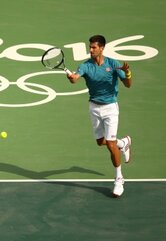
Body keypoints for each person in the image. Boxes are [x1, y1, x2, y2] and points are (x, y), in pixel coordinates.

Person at [67, 35, 132, 197]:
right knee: (100, 142)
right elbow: (75, 79)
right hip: (94, 107)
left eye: (94, 47)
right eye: (90, 47)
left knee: (110, 144)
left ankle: (119, 179)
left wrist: (127, 73)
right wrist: (71, 77)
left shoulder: (113, 64)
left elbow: (128, 85)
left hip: (110, 108)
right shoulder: (85, 66)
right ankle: (123, 143)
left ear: (102, 48)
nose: (91, 50)